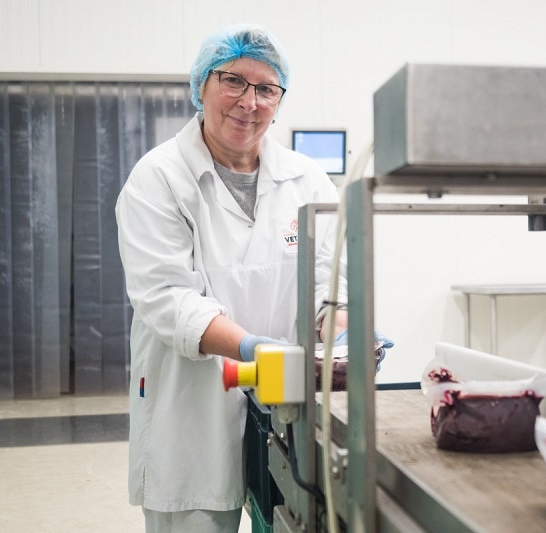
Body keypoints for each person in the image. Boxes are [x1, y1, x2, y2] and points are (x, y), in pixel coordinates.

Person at [116, 23, 390, 532]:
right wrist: (252, 348)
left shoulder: (306, 179)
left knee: (290, 516)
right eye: (233, 81)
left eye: (267, 88)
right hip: (191, 404)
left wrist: (345, 334)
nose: (249, 101)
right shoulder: (158, 178)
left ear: (279, 100)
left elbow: (328, 285)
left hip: (285, 409)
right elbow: (168, 299)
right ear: (201, 85)